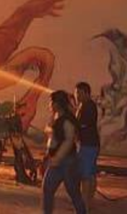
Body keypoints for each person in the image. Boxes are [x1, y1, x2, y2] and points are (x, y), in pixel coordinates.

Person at [43, 90, 87, 214]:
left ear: (57, 103)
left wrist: (58, 157)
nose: (49, 105)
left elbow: (69, 140)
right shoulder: (57, 118)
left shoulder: (67, 120)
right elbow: (52, 137)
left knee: (74, 193)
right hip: (57, 161)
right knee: (47, 189)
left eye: (51, 102)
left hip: (67, 162)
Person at [75, 82, 100, 212]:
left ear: (86, 93)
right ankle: (89, 202)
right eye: (76, 93)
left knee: (85, 176)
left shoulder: (88, 106)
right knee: (90, 174)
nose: (76, 95)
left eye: (78, 93)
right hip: (89, 144)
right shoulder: (83, 105)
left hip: (88, 145)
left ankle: (84, 206)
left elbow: (81, 124)